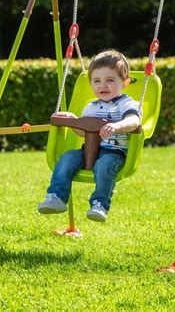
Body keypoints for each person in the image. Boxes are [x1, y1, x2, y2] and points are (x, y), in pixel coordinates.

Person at [38, 49, 140, 222]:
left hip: (113, 153)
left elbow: (134, 121)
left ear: (125, 82)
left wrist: (117, 126)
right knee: (67, 158)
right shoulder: (90, 107)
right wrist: (73, 122)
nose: (103, 85)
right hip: (88, 151)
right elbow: (83, 131)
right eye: (97, 81)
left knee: (104, 166)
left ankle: (99, 204)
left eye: (110, 80)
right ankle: (57, 197)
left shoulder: (127, 104)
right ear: (91, 83)